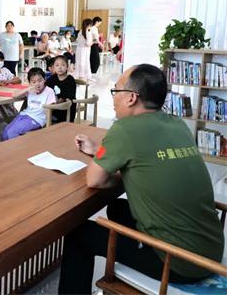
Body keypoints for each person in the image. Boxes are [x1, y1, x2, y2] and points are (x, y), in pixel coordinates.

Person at [58, 64, 224, 294]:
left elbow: (94, 180)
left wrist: (114, 165)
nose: (113, 98)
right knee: (118, 208)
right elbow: (148, 162)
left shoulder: (125, 128)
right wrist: (100, 151)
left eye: (116, 91)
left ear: (131, 98)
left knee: (80, 235)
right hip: (210, 251)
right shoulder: (177, 124)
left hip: (179, 262)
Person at [2, 67, 56, 141]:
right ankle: (11, 147)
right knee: (5, 132)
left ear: (44, 80)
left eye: (40, 80)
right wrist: (28, 89)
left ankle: (17, 148)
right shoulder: (30, 90)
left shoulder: (49, 91)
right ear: (30, 82)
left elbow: (49, 109)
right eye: (33, 82)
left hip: (37, 119)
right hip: (24, 115)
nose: (37, 84)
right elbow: (14, 95)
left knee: (12, 132)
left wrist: (47, 127)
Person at [45, 56, 76, 122]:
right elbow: (45, 88)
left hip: (66, 110)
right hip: (54, 108)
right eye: (57, 65)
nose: (60, 67)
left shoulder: (70, 80)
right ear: (54, 68)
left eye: (63, 65)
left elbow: (66, 98)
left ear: (67, 67)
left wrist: (55, 103)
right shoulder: (52, 78)